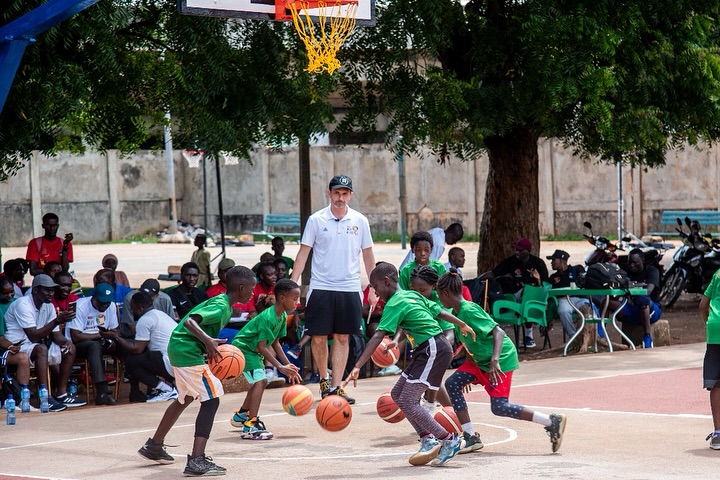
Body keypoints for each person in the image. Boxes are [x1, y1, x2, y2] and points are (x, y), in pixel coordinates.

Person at [343, 262, 474, 466]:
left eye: (375, 287)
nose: (375, 292)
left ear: (386, 281)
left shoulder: (395, 302)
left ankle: (449, 440)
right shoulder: (410, 295)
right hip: (427, 348)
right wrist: (461, 324)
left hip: (433, 347)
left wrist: (357, 366)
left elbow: (377, 336)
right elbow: (438, 312)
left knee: (408, 400)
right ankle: (428, 439)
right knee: (398, 395)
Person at [137, 266, 256, 477]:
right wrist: (208, 341)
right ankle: (196, 460)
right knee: (211, 399)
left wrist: (205, 344)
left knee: (185, 398)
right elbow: (191, 322)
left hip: (180, 350)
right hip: (186, 352)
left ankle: (154, 446)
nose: (253, 293)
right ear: (241, 288)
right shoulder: (221, 306)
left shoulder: (224, 304)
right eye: (252, 288)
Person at [436, 269, 567, 454]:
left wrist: (495, 360)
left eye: (438, 295)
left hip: (500, 359)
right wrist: (465, 370)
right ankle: (470, 436)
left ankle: (551, 421)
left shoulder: (468, 310)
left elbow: (498, 332)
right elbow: (471, 342)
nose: (438, 299)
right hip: (479, 361)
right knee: (453, 383)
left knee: (499, 407)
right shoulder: (456, 313)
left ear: (445, 293)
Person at [290, 174, 376, 404]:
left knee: (342, 337)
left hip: (350, 288)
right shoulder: (316, 220)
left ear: (350, 195)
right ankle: (324, 380)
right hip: (321, 286)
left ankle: (337, 386)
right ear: (329, 193)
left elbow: (368, 256)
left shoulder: (360, 221)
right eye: (337, 193)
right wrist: (293, 284)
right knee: (318, 337)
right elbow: (303, 253)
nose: (340, 197)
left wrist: (373, 286)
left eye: (345, 193)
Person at [229, 279, 302, 439]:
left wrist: (287, 364)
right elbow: (262, 347)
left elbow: (275, 343)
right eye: (295, 299)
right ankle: (251, 424)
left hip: (252, 351)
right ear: (282, 298)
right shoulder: (268, 317)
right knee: (261, 381)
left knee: (259, 381)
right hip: (244, 349)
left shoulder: (282, 316)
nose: (297, 303)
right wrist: (279, 367)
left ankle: (242, 415)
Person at [3, 274, 84, 411]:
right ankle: (45, 398)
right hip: (15, 346)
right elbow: (33, 336)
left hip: (33, 344)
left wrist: (66, 342)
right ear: (35, 290)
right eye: (47, 290)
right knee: (41, 349)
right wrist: (57, 320)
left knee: (70, 349)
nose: (51, 293)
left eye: (52, 290)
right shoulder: (23, 305)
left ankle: (62, 393)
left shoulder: (49, 306)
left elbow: (56, 334)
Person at [484, 237, 548, 348]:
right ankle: (502, 333)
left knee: (528, 294)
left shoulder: (538, 263)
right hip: (517, 294)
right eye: (516, 250)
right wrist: (479, 279)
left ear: (527, 251)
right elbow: (494, 273)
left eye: (520, 250)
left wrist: (537, 280)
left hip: (537, 296)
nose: (516, 252)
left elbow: (546, 284)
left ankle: (529, 336)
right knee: (519, 294)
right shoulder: (511, 261)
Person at [113, 291, 177, 403]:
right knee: (143, 357)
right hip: (178, 361)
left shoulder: (145, 319)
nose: (131, 311)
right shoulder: (160, 314)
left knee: (131, 362)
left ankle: (166, 390)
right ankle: (171, 388)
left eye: (133, 308)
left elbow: (137, 349)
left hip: (168, 362)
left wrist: (116, 337)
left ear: (140, 308)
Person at [67, 283, 121, 405]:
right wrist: (101, 335)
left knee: (125, 345)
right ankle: (102, 392)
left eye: (107, 303)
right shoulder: (80, 306)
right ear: (94, 297)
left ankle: (138, 387)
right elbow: (75, 336)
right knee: (94, 346)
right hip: (79, 345)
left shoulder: (111, 306)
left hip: (102, 340)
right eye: (102, 303)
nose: (105, 305)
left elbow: (114, 329)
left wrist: (112, 339)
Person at [608, 248, 661, 348]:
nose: (632, 265)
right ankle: (601, 333)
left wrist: (632, 287)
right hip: (631, 308)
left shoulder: (652, 271)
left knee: (642, 300)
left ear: (643, 261)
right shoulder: (625, 272)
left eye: (635, 262)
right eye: (630, 262)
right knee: (606, 301)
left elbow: (648, 291)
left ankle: (647, 337)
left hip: (650, 310)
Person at [545, 250, 590, 338]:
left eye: (554, 260)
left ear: (562, 261)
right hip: (564, 301)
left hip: (580, 299)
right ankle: (573, 337)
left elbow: (585, 284)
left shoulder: (577, 270)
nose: (551, 263)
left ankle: (587, 336)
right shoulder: (553, 277)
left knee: (589, 310)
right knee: (563, 311)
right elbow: (549, 294)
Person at [0, 277, 31, 396]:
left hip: (18, 343)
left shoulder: (19, 303)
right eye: (5, 293)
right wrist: (10, 346)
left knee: (36, 353)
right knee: (22, 357)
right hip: (4, 347)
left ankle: (23, 395)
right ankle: (16, 395)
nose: (9, 295)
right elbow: (1, 338)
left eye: (11, 291)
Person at [700, 269, 720, 450]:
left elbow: (703, 305)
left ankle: (718, 434)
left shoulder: (718, 274)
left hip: (715, 330)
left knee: (717, 384)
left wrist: (709, 324)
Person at [399, 223, 464, 269]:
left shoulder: (437, 230)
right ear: (450, 232)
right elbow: (429, 265)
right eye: (455, 239)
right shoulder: (439, 245)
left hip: (406, 266)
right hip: (411, 271)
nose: (454, 243)